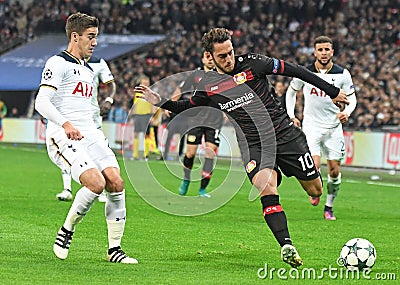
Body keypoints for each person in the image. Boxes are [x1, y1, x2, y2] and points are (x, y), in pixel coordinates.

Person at [134, 28, 349, 268]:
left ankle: (295, 175)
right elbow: (186, 106)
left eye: (231, 53)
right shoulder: (208, 85)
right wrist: (160, 101)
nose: (229, 59)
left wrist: (332, 92)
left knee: (315, 190)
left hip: (285, 135)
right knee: (265, 186)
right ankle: (286, 244)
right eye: (223, 56)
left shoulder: (254, 64)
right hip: (253, 143)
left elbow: (296, 70)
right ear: (210, 57)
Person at [34, 12, 137, 264]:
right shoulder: (57, 63)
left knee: (115, 181)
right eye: (90, 37)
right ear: (75, 36)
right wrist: (65, 123)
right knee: (95, 183)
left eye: (96, 37)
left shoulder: (88, 69)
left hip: (91, 134)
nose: (94, 42)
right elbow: (41, 101)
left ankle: (114, 250)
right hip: (63, 134)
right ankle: (66, 230)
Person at [285, 35, 357, 220]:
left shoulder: (342, 74)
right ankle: (315, 192)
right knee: (314, 165)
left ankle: (329, 207)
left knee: (334, 171)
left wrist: (347, 112)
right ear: (314, 52)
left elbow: (352, 97)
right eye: (320, 50)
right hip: (312, 126)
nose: (324, 53)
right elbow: (291, 92)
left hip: (333, 127)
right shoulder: (305, 72)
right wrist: (292, 115)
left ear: (332, 52)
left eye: (327, 49)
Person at [55, 54, 117, 203]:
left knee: (95, 150)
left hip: (92, 115)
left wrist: (109, 100)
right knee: (68, 148)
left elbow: (111, 84)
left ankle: (100, 189)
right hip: (69, 114)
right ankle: (67, 189)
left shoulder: (98, 62)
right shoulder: (63, 62)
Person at [177, 50, 225, 198]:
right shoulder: (195, 75)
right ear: (203, 59)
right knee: (190, 153)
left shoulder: (221, 76)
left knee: (210, 153)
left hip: (215, 119)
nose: (210, 60)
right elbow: (181, 88)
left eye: (212, 57)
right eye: (207, 57)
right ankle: (186, 179)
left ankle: (202, 189)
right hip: (195, 119)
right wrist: (172, 103)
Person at [131, 75, 157, 160]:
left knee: (147, 135)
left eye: (146, 82)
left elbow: (153, 105)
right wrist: (132, 116)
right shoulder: (137, 92)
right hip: (137, 116)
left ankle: (146, 155)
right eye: (143, 82)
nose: (145, 84)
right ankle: (135, 155)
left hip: (146, 116)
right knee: (136, 134)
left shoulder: (150, 93)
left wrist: (153, 117)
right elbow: (134, 105)